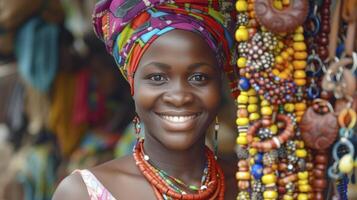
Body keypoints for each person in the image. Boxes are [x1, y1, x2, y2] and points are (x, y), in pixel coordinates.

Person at [52, 0, 237, 199]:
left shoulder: (251, 185)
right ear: (132, 85)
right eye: (157, 78)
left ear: (218, 85)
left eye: (198, 77)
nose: (179, 97)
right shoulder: (83, 193)